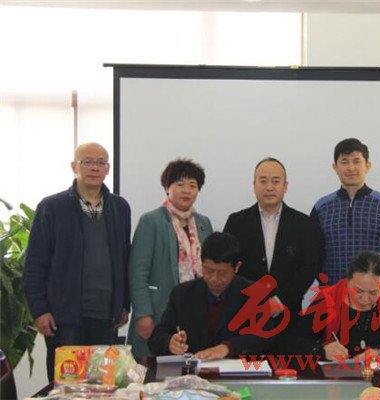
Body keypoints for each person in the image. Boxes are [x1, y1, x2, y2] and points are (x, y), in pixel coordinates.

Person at [23, 142, 131, 382]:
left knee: (103, 384)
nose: (95, 168)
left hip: (106, 316)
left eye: (101, 163)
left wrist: (124, 303)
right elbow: (35, 264)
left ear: (108, 169)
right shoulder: (52, 207)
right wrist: (40, 310)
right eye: (87, 162)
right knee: (67, 385)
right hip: (64, 318)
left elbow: (125, 258)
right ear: (74, 166)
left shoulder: (120, 207)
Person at [127, 159, 213, 371]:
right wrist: (143, 313)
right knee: (152, 374)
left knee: (190, 372)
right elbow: (138, 272)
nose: (187, 190)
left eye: (192, 185)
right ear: (167, 188)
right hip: (158, 312)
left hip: (193, 312)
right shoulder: (151, 221)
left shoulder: (203, 223)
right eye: (180, 184)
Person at [223, 157, 320, 323]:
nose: (269, 187)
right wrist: (252, 300)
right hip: (245, 313)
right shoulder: (236, 222)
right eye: (263, 181)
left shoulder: (304, 224)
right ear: (254, 186)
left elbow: (309, 267)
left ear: (285, 186)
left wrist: (280, 300)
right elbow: (228, 266)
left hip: (289, 314)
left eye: (275, 181)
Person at [148, 232, 272, 359]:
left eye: (222, 273)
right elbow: (156, 338)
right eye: (208, 270)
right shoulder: (182, 294)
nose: (214, 278)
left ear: (237, 267)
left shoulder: (256, 294)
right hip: (194, 368)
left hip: (238, 368)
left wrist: (228, 347)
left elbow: (264, 338)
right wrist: (169, 342)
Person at [290, 251, 380, 362]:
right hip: (337, 379)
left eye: (373, 293)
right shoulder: (327, 299)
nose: (365, 299)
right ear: (347, 281)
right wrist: (321, 351)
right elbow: (293, 341)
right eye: (358, 291)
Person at [311, 138, 380, 286]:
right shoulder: (321, 208)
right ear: (335, 167)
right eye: (344, 162)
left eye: (356, 161)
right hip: (332, 294)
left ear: (368, 166)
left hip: (376, 295)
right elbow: (312, 256)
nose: (351, 168)